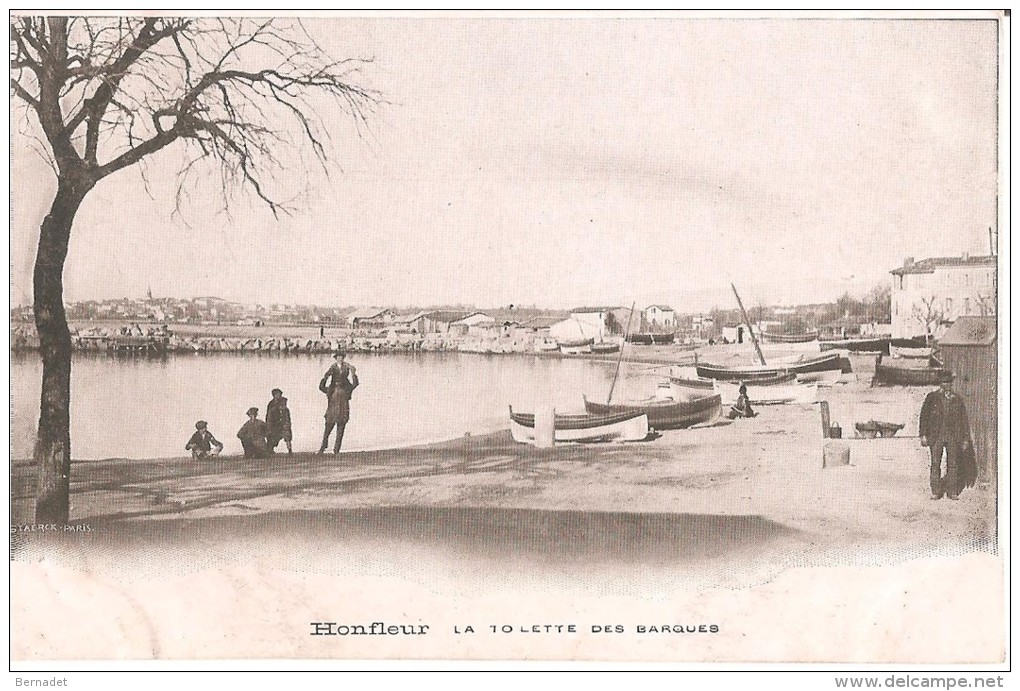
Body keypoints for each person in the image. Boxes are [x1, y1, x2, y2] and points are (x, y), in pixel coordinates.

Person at [919, 375, 974, 500]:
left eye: (949, 383)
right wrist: (923, 435)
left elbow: (963, 420)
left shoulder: (957, 400)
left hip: (953, 436)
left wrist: (965, 439)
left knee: (953, 464)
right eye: (944, 382)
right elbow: (924, 417)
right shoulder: (932, 398)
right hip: (936, 436)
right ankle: (936, 491)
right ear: (940, 384)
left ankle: (952, 491)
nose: (947, 385)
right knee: (935, 463)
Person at [318, 350, 359, 454]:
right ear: (336, 358)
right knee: (328, 426)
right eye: (338, 357)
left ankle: (336, 449)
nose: (340, 358)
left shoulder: (347, 369)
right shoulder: (333, 369)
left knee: (341, 425)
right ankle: (323, 446)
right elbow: (322, 387)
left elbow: (355, 384)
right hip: (334, 400)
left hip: (342, 400)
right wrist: (325, 377)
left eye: (341, 357)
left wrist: (353, 373)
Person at [266, 388, 293, 455]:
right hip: (274, 424)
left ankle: (290, 450)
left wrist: (287, 423)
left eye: (279, 394)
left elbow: (285, 413)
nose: (279, 395)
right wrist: (269, 425)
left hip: (283, 423)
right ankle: (270, 450)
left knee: (287, 437)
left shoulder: (283, 401)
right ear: (274, 395)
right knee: (272, 437)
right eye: (277, 394)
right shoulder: (271, 404)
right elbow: (269, 415)